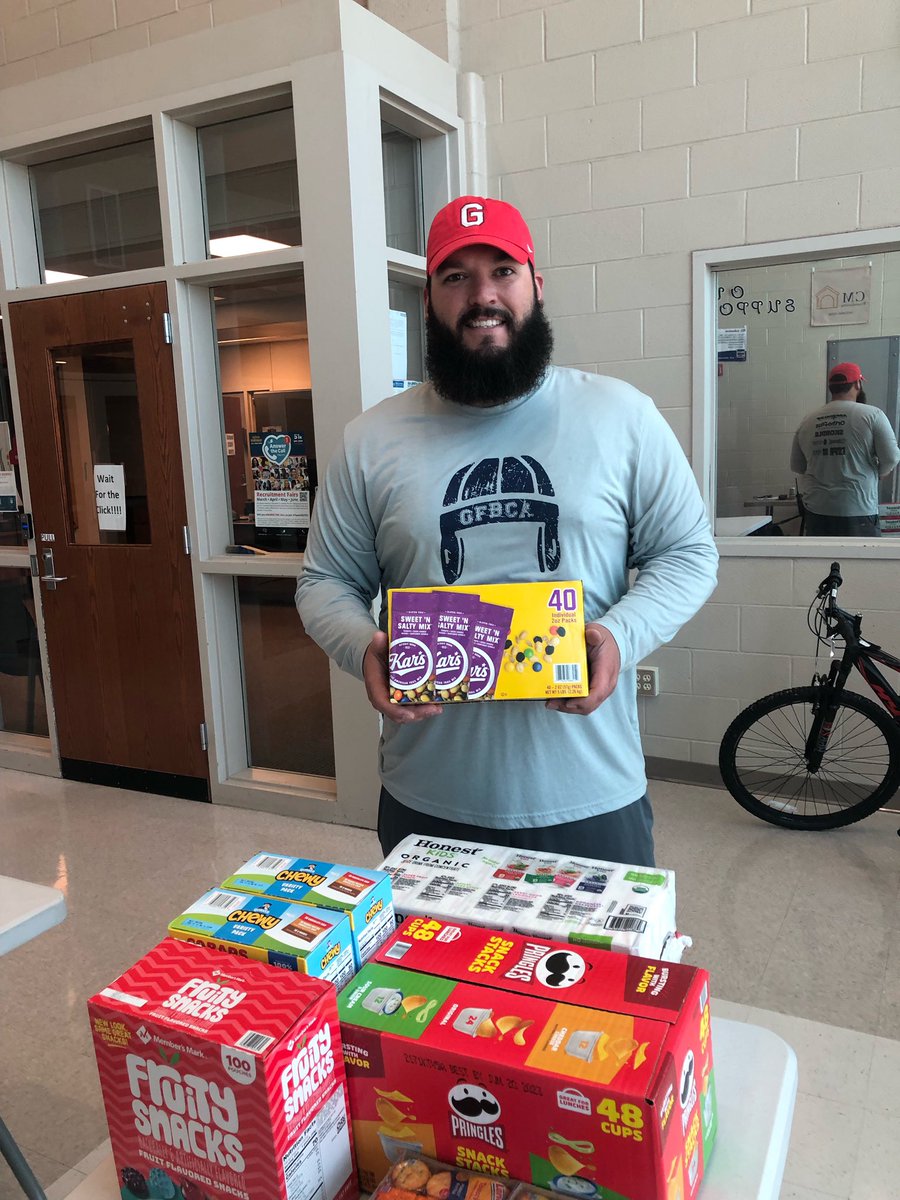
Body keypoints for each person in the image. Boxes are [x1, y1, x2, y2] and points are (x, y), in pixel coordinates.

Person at [296, 195, 718, 865]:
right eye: (456, 276)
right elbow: (325, 581)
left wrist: (618, 635)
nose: (482, 295)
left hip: (590, 797)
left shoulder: (621, 417)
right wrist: (362, 646)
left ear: (536, 286)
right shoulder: (369, 440)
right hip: (429, 801)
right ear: (429, 297)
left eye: (502, 270)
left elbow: (688, 553)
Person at [790, 362, 900, 537]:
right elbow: (892, 457)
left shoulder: (808, 420)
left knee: (821, 563)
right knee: (860, 563)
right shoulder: (873, 415)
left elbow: (797, 465)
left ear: (831, 388)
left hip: (817, 512)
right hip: (858, 510)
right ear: (858, 384)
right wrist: (880, 471)